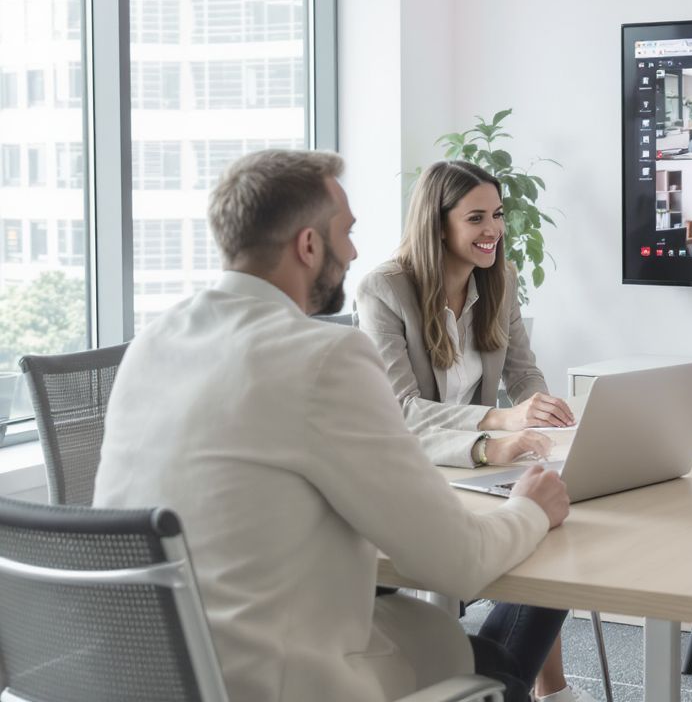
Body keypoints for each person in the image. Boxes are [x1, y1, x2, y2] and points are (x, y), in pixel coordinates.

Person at [93, 150, 571, 702]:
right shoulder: (324, 357)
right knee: (496, 673)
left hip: (141, 666)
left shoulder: (155, 341)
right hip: (272, 679)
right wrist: (532, 506)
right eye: (346, 232)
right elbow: (458, 563)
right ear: (308, 245)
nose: (353, 251)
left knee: (436, 635)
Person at [354, 159, 588, 702]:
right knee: (531, 536)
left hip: (476, 472)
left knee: (551, 529)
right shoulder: (384, 291)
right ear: (438, 224)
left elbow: (524, 373)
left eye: (498, 215)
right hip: (410, 477)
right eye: (476, 217)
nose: (494, 231)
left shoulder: (499, 280)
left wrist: (542, 411)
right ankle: (508, 686)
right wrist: (495, 426)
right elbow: (401, 410)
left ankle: (537, 690)